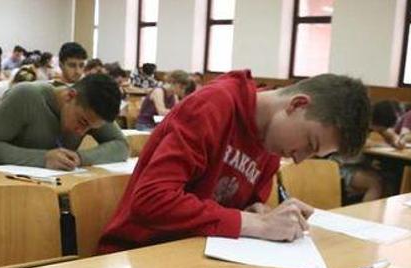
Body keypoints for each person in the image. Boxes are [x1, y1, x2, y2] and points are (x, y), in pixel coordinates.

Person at [97, 71, 370, 253]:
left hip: (200, 256)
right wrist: (258, 225)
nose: (299, 159)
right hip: (139, 252)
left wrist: (262, 213)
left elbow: (241, 212)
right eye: (309, 144)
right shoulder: (214, 105)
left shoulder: (271, 145)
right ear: (297, 104)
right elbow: (151, 201)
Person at [0, 74, 128, 169]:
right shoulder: (25, 96)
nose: (82, 132)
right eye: (82, 122)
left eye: (90, 128)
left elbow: (121, 146)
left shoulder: (93, 112)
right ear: (70, 96)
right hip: (10, 191)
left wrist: (80, 158)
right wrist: (43, 159)